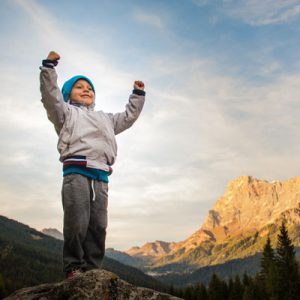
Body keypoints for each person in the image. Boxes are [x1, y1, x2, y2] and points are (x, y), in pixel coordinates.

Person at [39, 51, 145, 279]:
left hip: (101, 177)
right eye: (79, 87)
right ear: (68, 95)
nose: (86, 89)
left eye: (90, 88)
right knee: (77, 222)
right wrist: (49, 68)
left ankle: (92, 268)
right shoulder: (65, 114)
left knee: (98, 225)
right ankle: (73, 267)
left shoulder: (105, 118)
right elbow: (50, 96)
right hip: (76, 172)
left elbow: (128, 117)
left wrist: (137, 95)